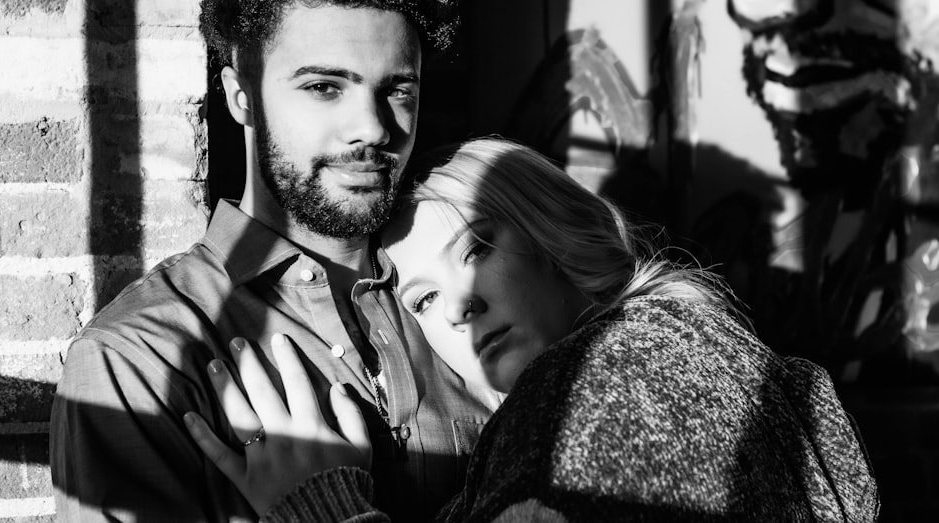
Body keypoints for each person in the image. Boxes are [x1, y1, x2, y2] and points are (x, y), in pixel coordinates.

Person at [49, 0, 500, 522]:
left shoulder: (467, 304)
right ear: (241, 96)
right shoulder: (142, 356)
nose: (372, 127)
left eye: (399, 91)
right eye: (323, 87)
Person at [186, 137, 880, 522]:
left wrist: (324, 510)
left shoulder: (612, 382)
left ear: (555, 239)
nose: (458, 307)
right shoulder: (685, 350)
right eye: (423, 301)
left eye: (477, 249)